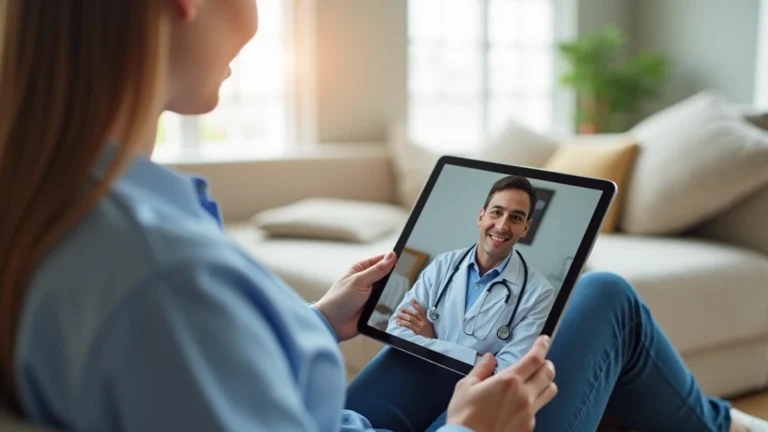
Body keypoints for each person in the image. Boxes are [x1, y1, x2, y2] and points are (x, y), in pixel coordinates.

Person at [0, 1, 765, 431]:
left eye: (512, 218)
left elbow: (194, 374)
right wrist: (470, 431)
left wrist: (315, 319)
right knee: (608, 301)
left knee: (433, 351)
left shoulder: (52, 200)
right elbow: (182, 331)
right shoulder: (163, 278)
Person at [387, 176, 557, 370]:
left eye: (516, 218)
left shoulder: (540, 293)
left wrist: (430, 339)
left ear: (525, 227)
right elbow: (397, 330)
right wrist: (477, 358)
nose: (502, 226)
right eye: (496, 212)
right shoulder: (444, 263)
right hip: (412, 366)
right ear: (481, 216)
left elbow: (507, 370)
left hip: (475, 391)